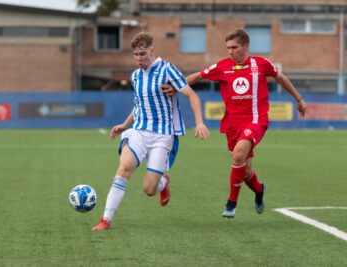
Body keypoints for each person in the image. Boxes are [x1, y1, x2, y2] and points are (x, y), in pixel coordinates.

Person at [161, 28, 307, 218]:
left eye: (234, 47)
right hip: (232, 125)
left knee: (238, 156)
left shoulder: (261, 64)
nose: (230, 51)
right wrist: (177, 86)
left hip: (256, 121)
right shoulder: (222, 66)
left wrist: (298, 99)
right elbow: (197, 76)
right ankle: (259, 189)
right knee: (245, 172)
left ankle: (231, 203)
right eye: (228, 47)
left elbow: (279, 77)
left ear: (246, 46)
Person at [92, 32, 210, 230]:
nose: (139, 58)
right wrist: (125, 124)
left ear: (152, 51)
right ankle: (106, 220)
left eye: (142, 54)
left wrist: (199, 122)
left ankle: (163, 183)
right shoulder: (136, 76)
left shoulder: (167, 70)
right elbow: (139, 105)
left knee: (149, 189)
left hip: (163, 136)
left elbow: (192, 96)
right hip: (139, 132)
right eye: (136, 54)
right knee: (124, 169)